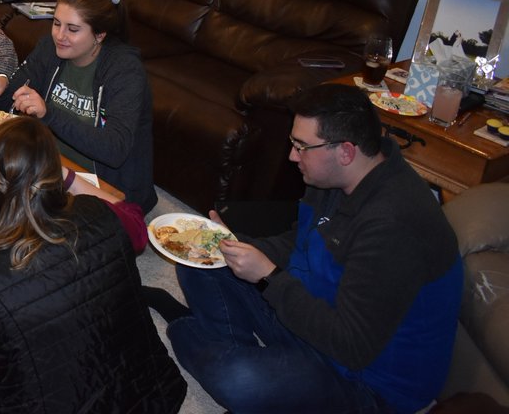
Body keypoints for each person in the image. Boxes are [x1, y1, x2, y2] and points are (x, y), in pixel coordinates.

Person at [166, 84, 463, 414]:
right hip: (311, 315)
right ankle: (250, 358)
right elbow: (300, 242)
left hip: (368, 382)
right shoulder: (333, 178)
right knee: (197, 255)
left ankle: (191, 331)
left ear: (346, 152)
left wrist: (267, 277)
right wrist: (238, 247)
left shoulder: (394, 225)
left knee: (239, 379)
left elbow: (352, 347)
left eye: (302, 146)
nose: (292, 156)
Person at [0, 117, 185, 413]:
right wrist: (69, 177)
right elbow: (136, 223)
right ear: (52, 176)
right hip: (146, 397)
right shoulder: (104, 215)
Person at [0, 0, 157, 212]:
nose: (60, 36)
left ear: (99, 34)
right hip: (52, 167)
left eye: (73, 29)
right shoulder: (50, 48)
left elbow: (115, 150)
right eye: (57, 23)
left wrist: (48, 113)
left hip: (103, 187)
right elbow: (8, 105)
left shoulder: (125, 71)